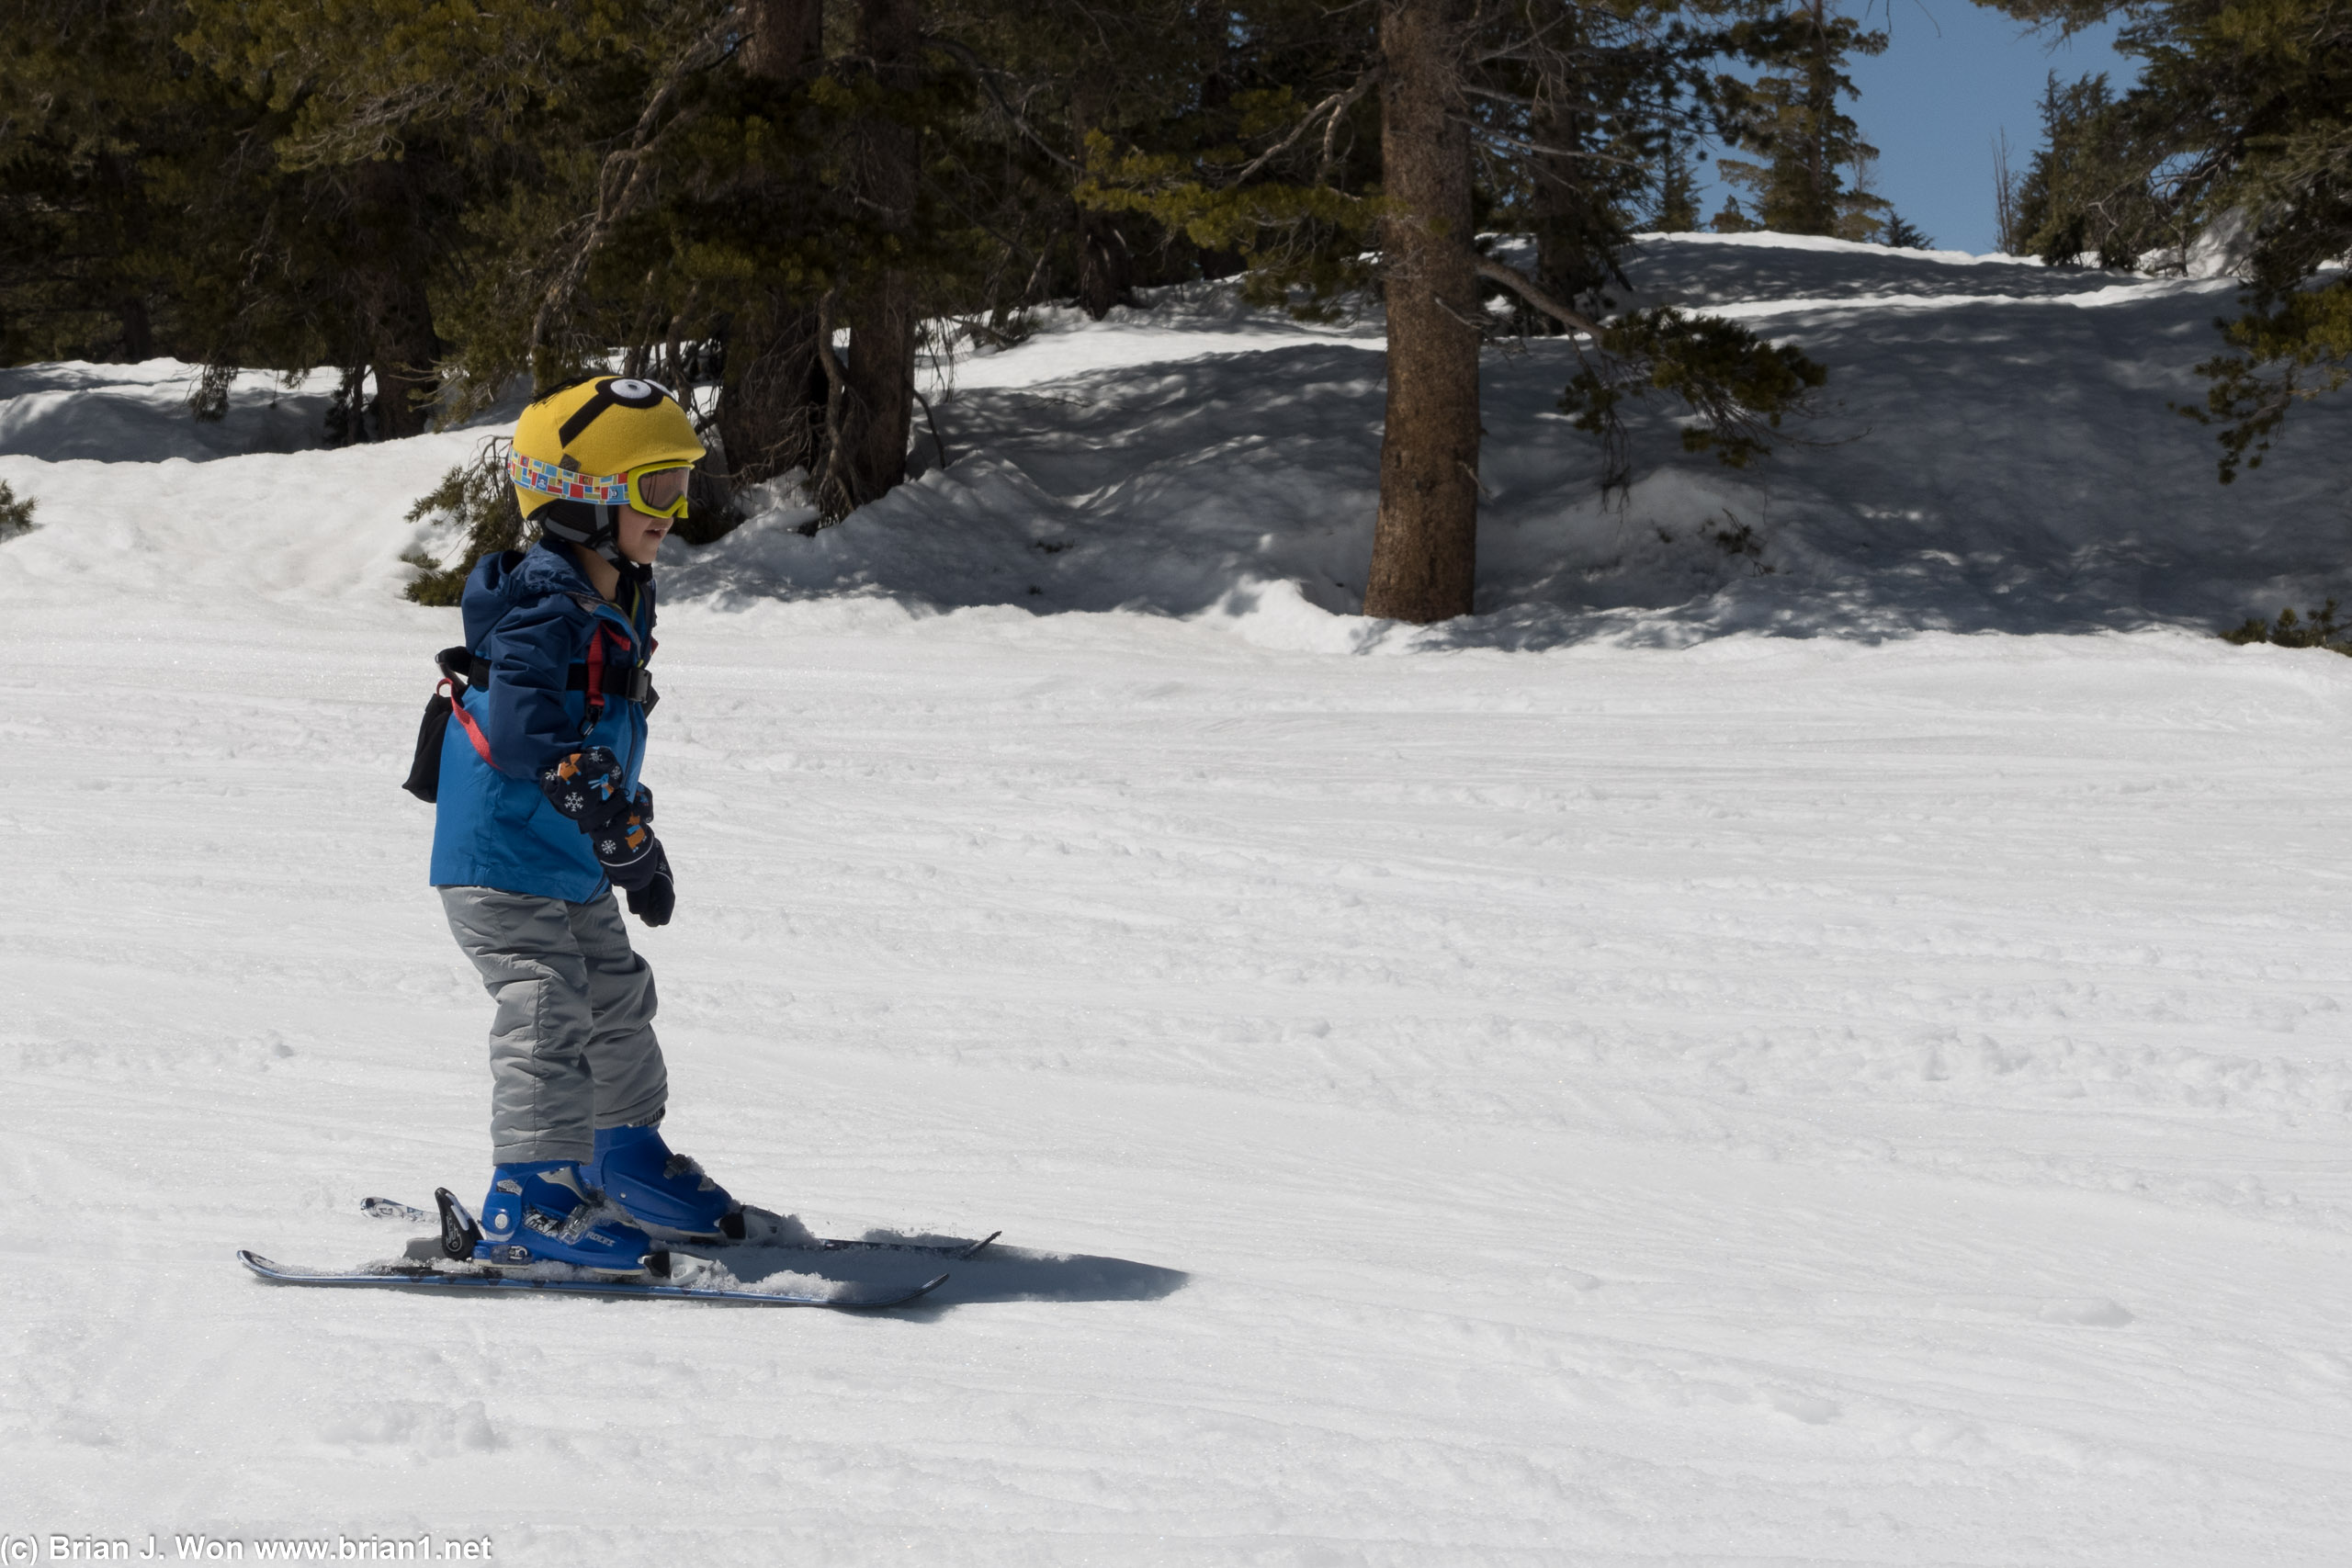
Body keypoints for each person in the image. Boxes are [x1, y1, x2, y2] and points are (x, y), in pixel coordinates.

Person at [429, 375, 742, 1275]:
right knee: (545, 1003)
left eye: (680, 484)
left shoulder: (619, 591)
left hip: (562, 853)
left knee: (616, 993)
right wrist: (608, 816)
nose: (673, 510)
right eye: (654, 489)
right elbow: (532, 732)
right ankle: (530, 1192)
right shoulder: (540, 603)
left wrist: (630, 838)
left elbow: (599, 734)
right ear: (581, 500)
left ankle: (622, 1156)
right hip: (497, 855)